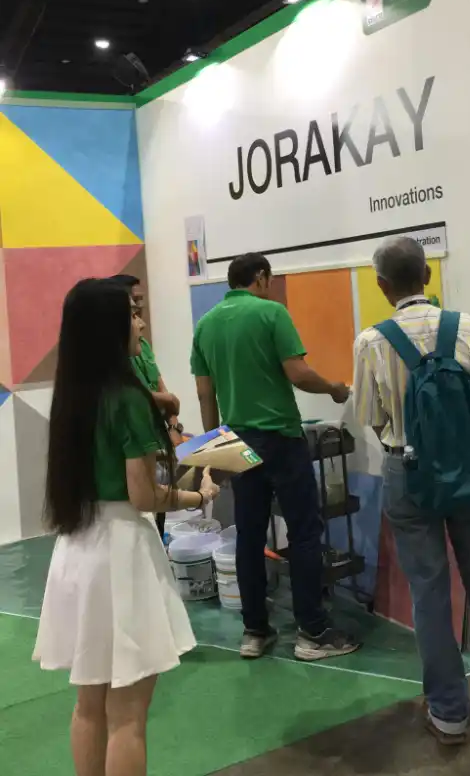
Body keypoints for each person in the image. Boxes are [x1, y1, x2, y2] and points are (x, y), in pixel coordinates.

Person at [34, 278, 219, 776]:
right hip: (122, 556)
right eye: (132, 314)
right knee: (128, 717)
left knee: (88, 706)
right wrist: (198, 496)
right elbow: (143, 495)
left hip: (77, 550)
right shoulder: (128, 399)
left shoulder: (72, 397)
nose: (140, 323)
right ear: (109, 327)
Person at [353, 237, 470, 744]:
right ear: (427, 275)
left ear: (382, 286)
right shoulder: (467, 327)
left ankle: (450, 713)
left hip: (408, 473)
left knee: (429, 592)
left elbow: (371, 417)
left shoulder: (371, 341)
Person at [190, 252, 359, 662]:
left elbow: (204, 393)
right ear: (262, 278)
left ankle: (255, 631)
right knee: (304, 532)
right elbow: (298, 374)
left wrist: (214, 449)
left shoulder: (206, 325)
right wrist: (335, 388)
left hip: (236, 441)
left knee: (249, 535)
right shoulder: (272, 313)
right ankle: (312, 632)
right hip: (281, 438)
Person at [111, 274, 184, 538]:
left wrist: (174, 426)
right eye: (134, 304)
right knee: (144, 510)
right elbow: (136, 395)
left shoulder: (141, 345)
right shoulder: (116, 358)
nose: (140, 315)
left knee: (157, 518)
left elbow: (159, 385)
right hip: (139, 448)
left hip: (156, 440)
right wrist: (202, 496)